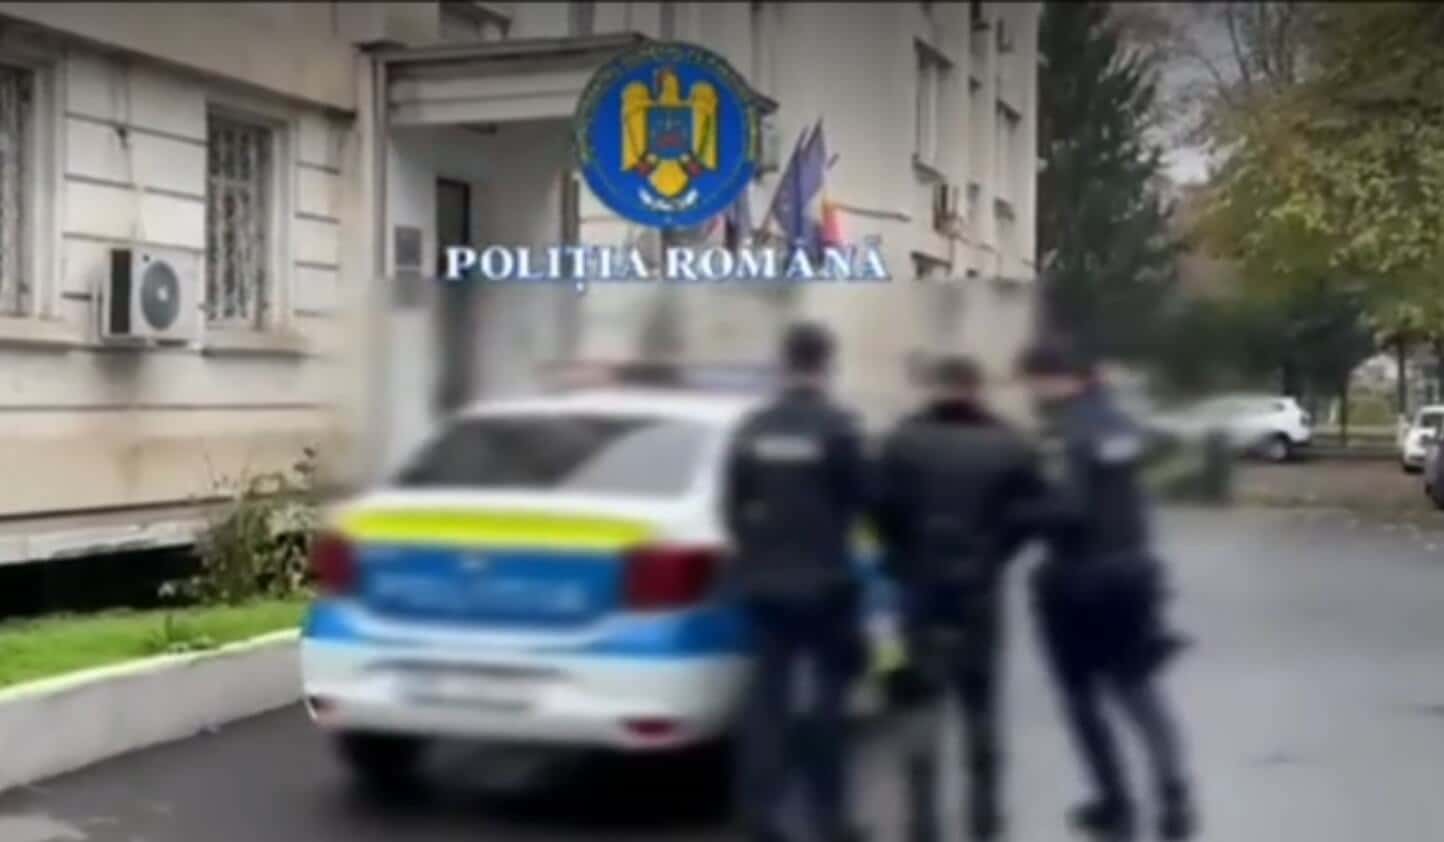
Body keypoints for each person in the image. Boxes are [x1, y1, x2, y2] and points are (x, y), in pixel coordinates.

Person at [1013, 342, 1198, 842]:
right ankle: (1174, 797)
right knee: (1139, 690)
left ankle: (1114, 803)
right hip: (1135, 572)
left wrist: (1018, 514)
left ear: (1053, 378)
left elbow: (1069, 509)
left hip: (1081, 582)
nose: (1031, 393)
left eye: (1032, 383)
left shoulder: (1067, 430)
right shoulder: (1120, 421)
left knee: (1081, 698)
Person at [872, 355, 1040, 842]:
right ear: (977, 388)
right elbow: (1034, 512)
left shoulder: (902, 441)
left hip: (921, 592)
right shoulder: (1008, 443)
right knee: (981, 705)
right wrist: (997, 554)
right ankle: (984, 817)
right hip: (979, 592)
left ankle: (922, 820)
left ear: (936, 387)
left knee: (921, 704)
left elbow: (878, 509)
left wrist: (902, 558)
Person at [722, 321, 869, 842]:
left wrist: (756, 554)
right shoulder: (840, 428)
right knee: (828, 703)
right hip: (826, 583)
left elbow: (733, 506)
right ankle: (829, 821)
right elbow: (861, 500)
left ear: (783, 364)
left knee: (767, 703)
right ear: (827, 365)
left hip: (765, 584)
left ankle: (758, 818)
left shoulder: (752, 428)